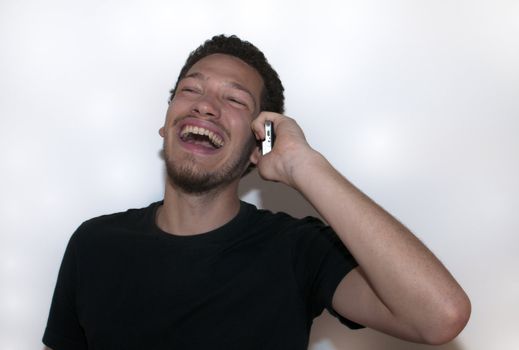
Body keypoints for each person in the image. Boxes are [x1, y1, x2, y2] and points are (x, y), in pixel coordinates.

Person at [43, 35, 471, 350]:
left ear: (255, 147)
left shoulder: (298, 249)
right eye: (190, 90)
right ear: (165, 122)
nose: (205, 105)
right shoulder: (93, 244)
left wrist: (304, 165)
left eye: (234, 100)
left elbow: (440, 317)